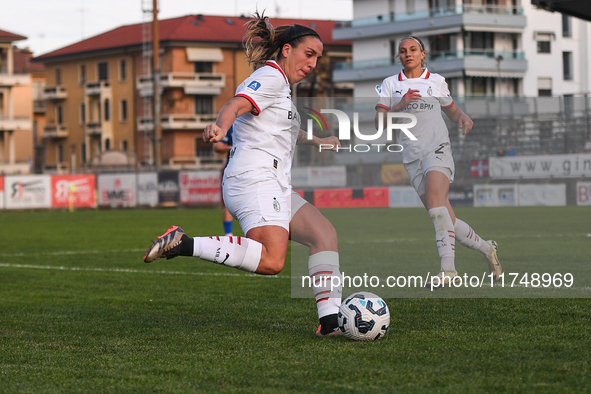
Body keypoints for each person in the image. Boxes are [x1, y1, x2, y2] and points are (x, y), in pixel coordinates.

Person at [144, 12, 344, 336]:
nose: (313, 63)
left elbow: (289, 129)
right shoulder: (270, 77)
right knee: (272, 261)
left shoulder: (284, 89)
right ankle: (183, 243)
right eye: (309, 54)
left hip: (274, 182)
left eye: (318, 58)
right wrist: (219, 126)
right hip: (253, 178)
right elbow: (236, 104)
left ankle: (330, 322)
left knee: (324, 236)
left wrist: (321, 141)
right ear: (287, 50)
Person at [375, 35, 502, 288]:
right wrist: (400, 105)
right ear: (399, 56)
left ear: (423, 54)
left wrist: (463, 116)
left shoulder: (437, 81)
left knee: (436, 205)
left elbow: (451, 110)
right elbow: (380, 122)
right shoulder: (390, 84)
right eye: (402, 51)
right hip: (411, 156)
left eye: (413, 49)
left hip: (438, 147)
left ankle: (448, 270)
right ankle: (488, 249)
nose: (407, 54)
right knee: (447, 219)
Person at [214, 125, 235, 236]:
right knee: (228, 203)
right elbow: (218, 147)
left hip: (251, 170)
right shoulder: (231, 127)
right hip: (232, 169)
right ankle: (229, 235)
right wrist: (231, 148)